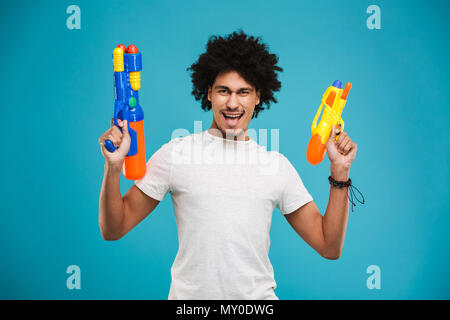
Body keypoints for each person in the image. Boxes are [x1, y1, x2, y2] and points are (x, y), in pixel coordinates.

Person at [98, 30, 357, 300]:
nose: (233, 103)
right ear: (208, 93)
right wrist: (113, 167)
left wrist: (340, 171)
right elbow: (113, 229)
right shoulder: (176, 154)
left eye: (243, 92)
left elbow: (329, 246)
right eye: (224, 91)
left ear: (258, 96)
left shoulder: (275, 166)